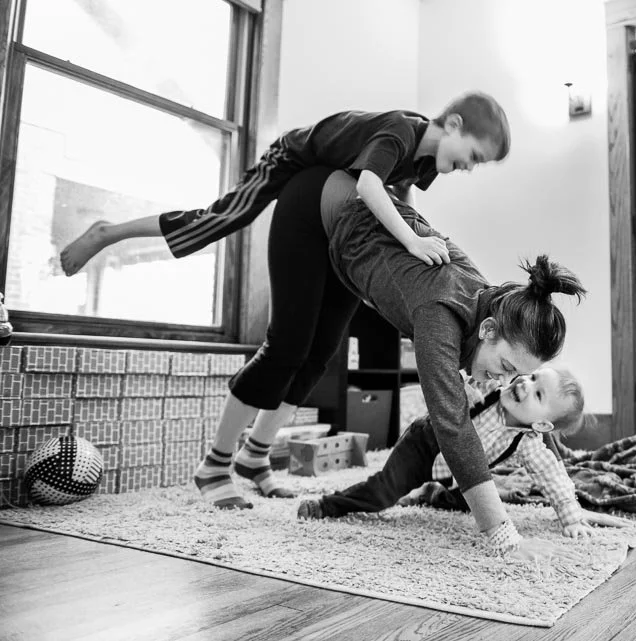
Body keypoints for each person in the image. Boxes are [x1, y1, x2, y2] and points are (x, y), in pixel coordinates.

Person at [194, 166, 586, 559]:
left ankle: (254, 454)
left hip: (344, 250)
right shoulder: (441, 315)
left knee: (316, 358)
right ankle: (216, 463)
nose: (504, 381)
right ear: (487, 329)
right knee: (285, 349)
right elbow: (453, 426)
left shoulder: (489, 301)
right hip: (317, 206)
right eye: (507, 368)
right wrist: (504, 536)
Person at [59, 91, 510, 275]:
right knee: (221, 219)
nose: (469, 168)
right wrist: (411, 240)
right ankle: (108, 233)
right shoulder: (402, 130)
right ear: (453, 125)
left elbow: (399, 194)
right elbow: (370, 186)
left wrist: (416, 233)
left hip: (322, 182)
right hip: (292, 158)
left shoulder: (426, 161)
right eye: (473, 156)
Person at [298, 366, 595, 539]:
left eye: (538, 394)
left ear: (541, 425)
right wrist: (466, 385)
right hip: (424, 447)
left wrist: (571, 518)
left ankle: (431, 493)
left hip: (458, 475)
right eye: (532, 377)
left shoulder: (528, 444)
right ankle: (327, 505)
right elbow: (457, 376)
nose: (525, 385)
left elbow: (554, 478)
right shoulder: (489, 387)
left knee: (474, 503)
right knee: (383, 492)